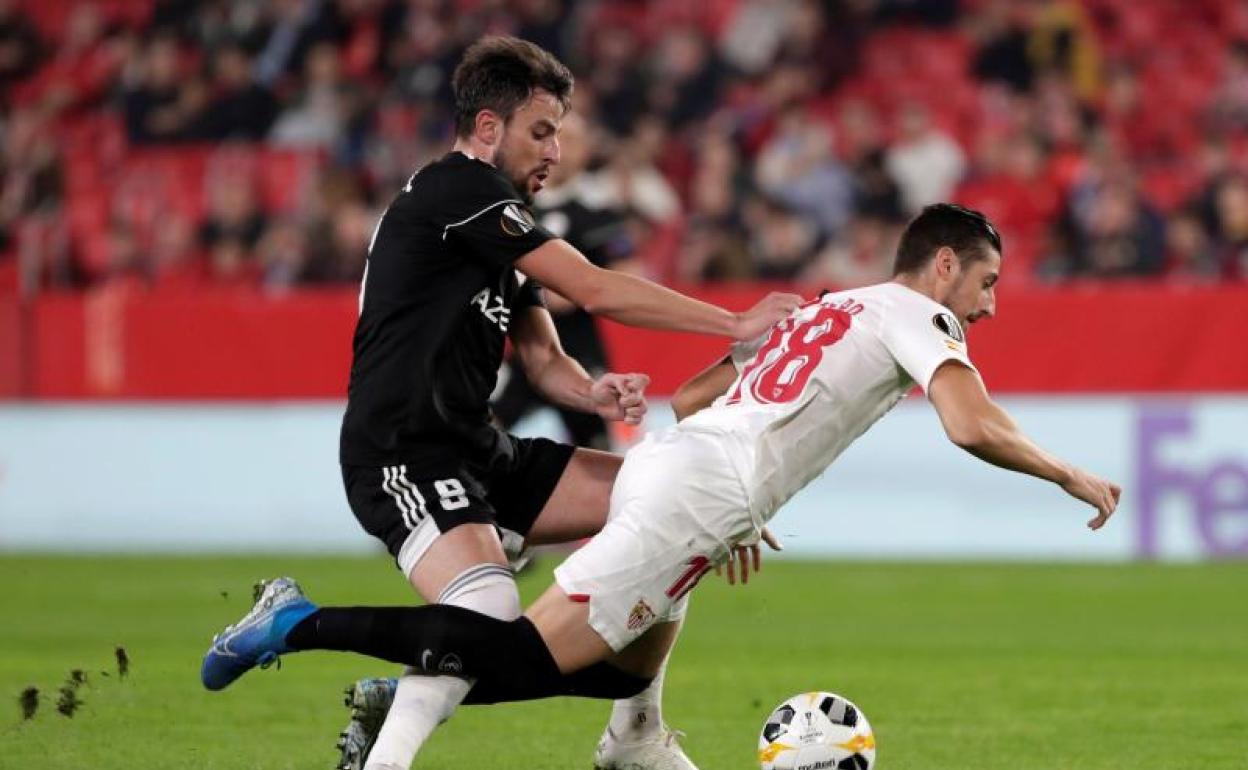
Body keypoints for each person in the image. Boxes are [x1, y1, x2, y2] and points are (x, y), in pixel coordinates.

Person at [204, 204, 1120, 761]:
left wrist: (741, 496)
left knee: (622, 670)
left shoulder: (838, 303)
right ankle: (302, 624)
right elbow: (969, 423)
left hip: (686, 468)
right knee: (518, 653)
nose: (989, 305)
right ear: (944, 265)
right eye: (986, 282)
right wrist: (1067, 472)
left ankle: (611, 735)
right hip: (700, 487)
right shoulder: (921, 314)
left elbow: (692, 397)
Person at [211, 35, 799, 770]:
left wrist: (592, 390)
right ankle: (298, 626)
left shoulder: (495, 225)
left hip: (480, 448)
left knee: (673, 502)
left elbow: (543, 358)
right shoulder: (455, 191)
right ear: (488, 127)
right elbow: (594, 288)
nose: (555, 150)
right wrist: (737, 323)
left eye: (558, 133)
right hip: (403, 452)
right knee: (487, 610)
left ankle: (636, 731)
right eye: (541, 131)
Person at [491, 111, 635, 451]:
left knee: (598, 447)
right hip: (525, 350)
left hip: (578, 350)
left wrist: (576, 290)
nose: (559, 148)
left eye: (570, 140)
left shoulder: (597, 211)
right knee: (485, 429)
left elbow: (629, 271)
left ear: (585, 150)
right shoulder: (515, 205)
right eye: (550, 137)